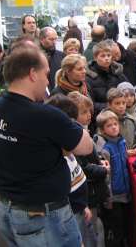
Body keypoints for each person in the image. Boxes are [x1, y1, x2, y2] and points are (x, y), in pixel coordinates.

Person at [0, 44, 93, 247]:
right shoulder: (44, 115)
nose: (48, 80)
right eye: (46, 74)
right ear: (32, 74)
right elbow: (86, 146)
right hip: (43, 217)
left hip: (11, 209)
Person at [44, 94, 91, 246]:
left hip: (79, 207)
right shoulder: (56, 154)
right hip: (68, 214)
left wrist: (84, 205)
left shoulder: (67, 150)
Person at [68, 92, 109, 247]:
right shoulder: (76, 135)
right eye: (84, 112)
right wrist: (103, 170)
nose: (89, 115)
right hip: (88, 193)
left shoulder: (84, 130)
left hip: (93, 191)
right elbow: (83, 167)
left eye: (89, 111)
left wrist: (101, 162)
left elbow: (92, 157)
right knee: (90, 232)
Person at [93, 110, 131, 247]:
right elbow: (105, 176)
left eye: (116, 124)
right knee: (115, 229)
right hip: (113, 197)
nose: (114, 127)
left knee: (126, 226)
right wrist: (108, 198)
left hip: (125, 194)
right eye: (109, 126)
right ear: (102, 130)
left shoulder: (122, 142)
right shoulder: (104, 148)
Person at [86, 41, 127, 116]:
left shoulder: (117, 74)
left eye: (109, 55)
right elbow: (90, 103)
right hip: (99, 117)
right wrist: (109, 106)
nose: (107, 58)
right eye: (103, 56)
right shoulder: (89, 77)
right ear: (95, 57)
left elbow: (127, 91)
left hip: (119, 115)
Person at [106, 88, 136, 154]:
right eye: (117, 103)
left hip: (132, 159)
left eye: (123, 103)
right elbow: (105, 147)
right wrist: (124, 152)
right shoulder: (105, 122)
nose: (121, 106)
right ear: (109, 105)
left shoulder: (131, 120)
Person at [39, 27, 65, 92]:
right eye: (51, 39)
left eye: (55, 39)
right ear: (42, 40)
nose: (54, 42)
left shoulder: (61, 55)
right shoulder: (36, 57)